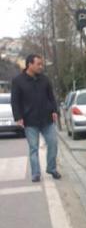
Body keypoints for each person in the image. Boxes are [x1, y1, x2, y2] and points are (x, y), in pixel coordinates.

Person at [11, 54, 61, 182]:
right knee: (34, 148)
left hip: (47, 119)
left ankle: (51, 168)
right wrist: (18, 117)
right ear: (29, 65)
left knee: (53, 143)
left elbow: (51, 97)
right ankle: (36, 173)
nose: (41, 67)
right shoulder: (18, 81)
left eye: (41, 64)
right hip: (30, 121)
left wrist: (54, 111)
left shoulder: (45, 79)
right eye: (38, 64)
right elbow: (15, 101)